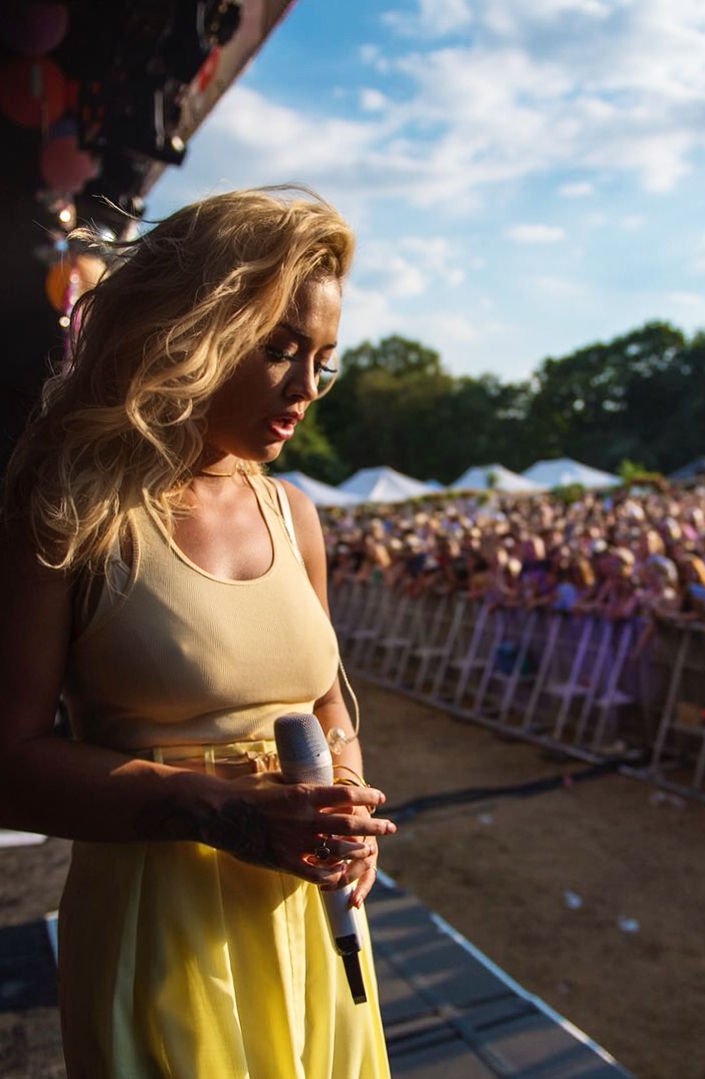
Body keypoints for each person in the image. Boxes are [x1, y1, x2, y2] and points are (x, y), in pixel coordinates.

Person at [0, 188, 396, 1077]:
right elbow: (9, 762)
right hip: (161, 937)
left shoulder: (294, 514)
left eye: (323, 361)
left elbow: (328, 707)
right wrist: (230, 815)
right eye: (279, 348)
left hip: (313, 923)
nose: (306, 388)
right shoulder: (70, 506)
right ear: (194, 328)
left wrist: (348, 801)